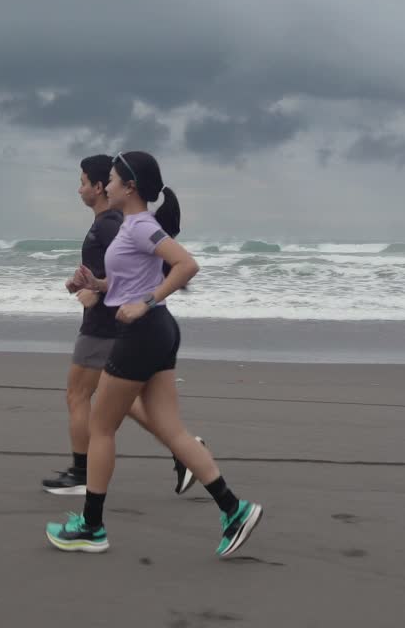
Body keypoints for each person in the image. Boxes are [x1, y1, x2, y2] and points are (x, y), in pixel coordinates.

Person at [45, 151, 263, 558]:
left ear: (129, 187)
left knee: (101, 426)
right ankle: (234, 509)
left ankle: (91, 527)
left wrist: (146, 301)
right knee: (170, 429)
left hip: (144, 331)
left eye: (109, 179)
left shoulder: (141, 225)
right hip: (158, 331)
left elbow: (186, 265)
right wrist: (96, 283)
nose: (104, 186)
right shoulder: (131, 226)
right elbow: (127, 282)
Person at [42, 154, 206, 496]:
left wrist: (105, 295)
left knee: (79, 396)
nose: (79, 189)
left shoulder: (113, 223)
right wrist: (89, 283)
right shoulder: (110, 223)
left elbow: (152, 265)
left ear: (101, 187)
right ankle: (186, 450)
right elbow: (117, 272)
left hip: (106, 326)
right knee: (123, 404)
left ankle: (82, 475)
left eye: (84, 182)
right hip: (117, 324)